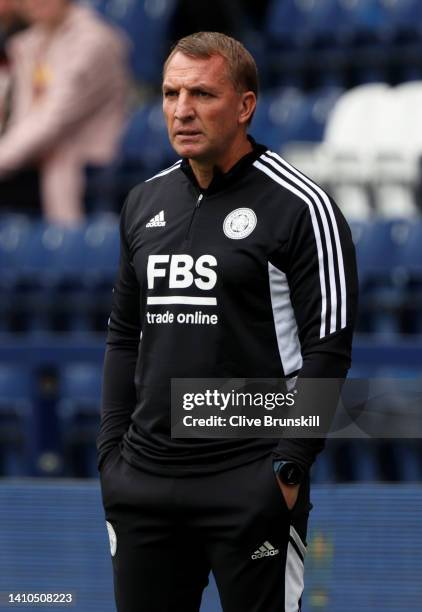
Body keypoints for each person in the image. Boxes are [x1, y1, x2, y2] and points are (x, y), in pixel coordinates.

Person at [97, 32, 358, 612]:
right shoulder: (143, 202)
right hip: (142, 483)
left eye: (202, 94)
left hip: (249, 481)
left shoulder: (302, 207)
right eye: (170, 93)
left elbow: (329, 350)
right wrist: (111, 456)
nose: (182, 109)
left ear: (245, 106)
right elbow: (122, 338)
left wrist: (287, 467)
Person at [0, 0, 129, 224]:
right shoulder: (27, 43)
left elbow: (53, 121)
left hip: (86, 167)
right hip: (35, 160)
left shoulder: (94, 42)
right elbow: (24, 118)